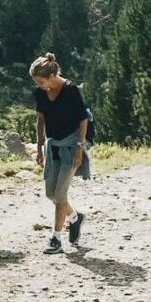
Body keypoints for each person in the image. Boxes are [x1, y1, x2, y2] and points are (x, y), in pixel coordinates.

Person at [30, 52, 90, 254]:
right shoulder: (40, 92)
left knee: (60, 194)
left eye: (40, 81)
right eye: (36, 82)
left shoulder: (71, 91)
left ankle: (56, 238)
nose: (38, 85)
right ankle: (74, 217)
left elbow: (83, 120)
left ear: (52, 75)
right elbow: (41, 119)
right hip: (52, 145)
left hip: (72, 145)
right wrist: (39, 147)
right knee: (50, 194)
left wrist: (79, 149)